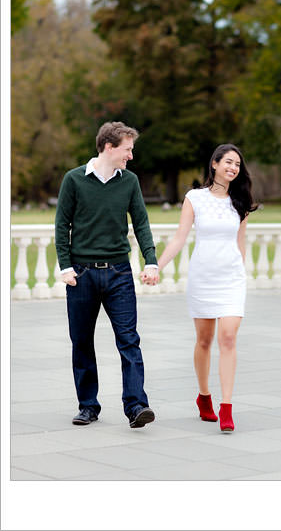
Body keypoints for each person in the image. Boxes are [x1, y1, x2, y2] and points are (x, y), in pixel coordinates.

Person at [55, 121, 159, 429]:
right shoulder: (74, 180)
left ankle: (137, 405)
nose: (130, 156)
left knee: (129, 340)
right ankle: (88, 406)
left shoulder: (129, 181)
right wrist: (65, 266)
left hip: (119, 273)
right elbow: (62, 225)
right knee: (82, 341)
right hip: (82, 274)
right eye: (127, 150)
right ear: (109, 147)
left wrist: (150, 261)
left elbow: (141, 223)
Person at [156, 143, 257, 433]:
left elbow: (241, 243)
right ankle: (204, 397)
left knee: (228, 337)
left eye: (237, 164)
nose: (233, 168)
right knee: (204, 340)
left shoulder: (241, 201)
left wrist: (242, 272)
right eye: (228, 162)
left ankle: (227, 407)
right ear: (214, 164)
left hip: (231, 279)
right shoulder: (195, 198)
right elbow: (179, 238)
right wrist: (157, 267)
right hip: (203, 277)